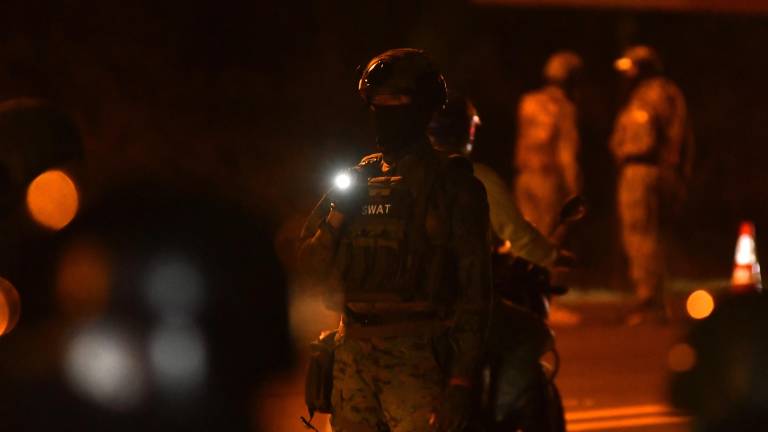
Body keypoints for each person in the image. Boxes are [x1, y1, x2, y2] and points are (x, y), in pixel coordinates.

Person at [299, 49, 492, 432]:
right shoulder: (356, 179)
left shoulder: (453, 186)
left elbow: (475, 293)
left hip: (418, 357)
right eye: (377, 104)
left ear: (422, 109)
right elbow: (307, 264)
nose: (385, 114)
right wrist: (338, 215)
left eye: (397, 104)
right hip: (352, 350)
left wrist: (460, 382)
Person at [610, 45, 694, 323]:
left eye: (632, 68)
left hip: (647, 170)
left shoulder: (661, 93)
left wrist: (676, 173)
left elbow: (677, 137)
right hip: (636, 170)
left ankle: (650, 300)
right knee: (640, 234)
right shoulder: (641, 96)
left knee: (642, 234)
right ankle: (650, 297)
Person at [514, 51, 583, 236]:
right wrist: (574, 190)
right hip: (548, 182)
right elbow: (567, 153)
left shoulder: (527, 102)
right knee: (547, 239)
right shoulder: (564, 109)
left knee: (526, 240)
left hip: (524, 178)